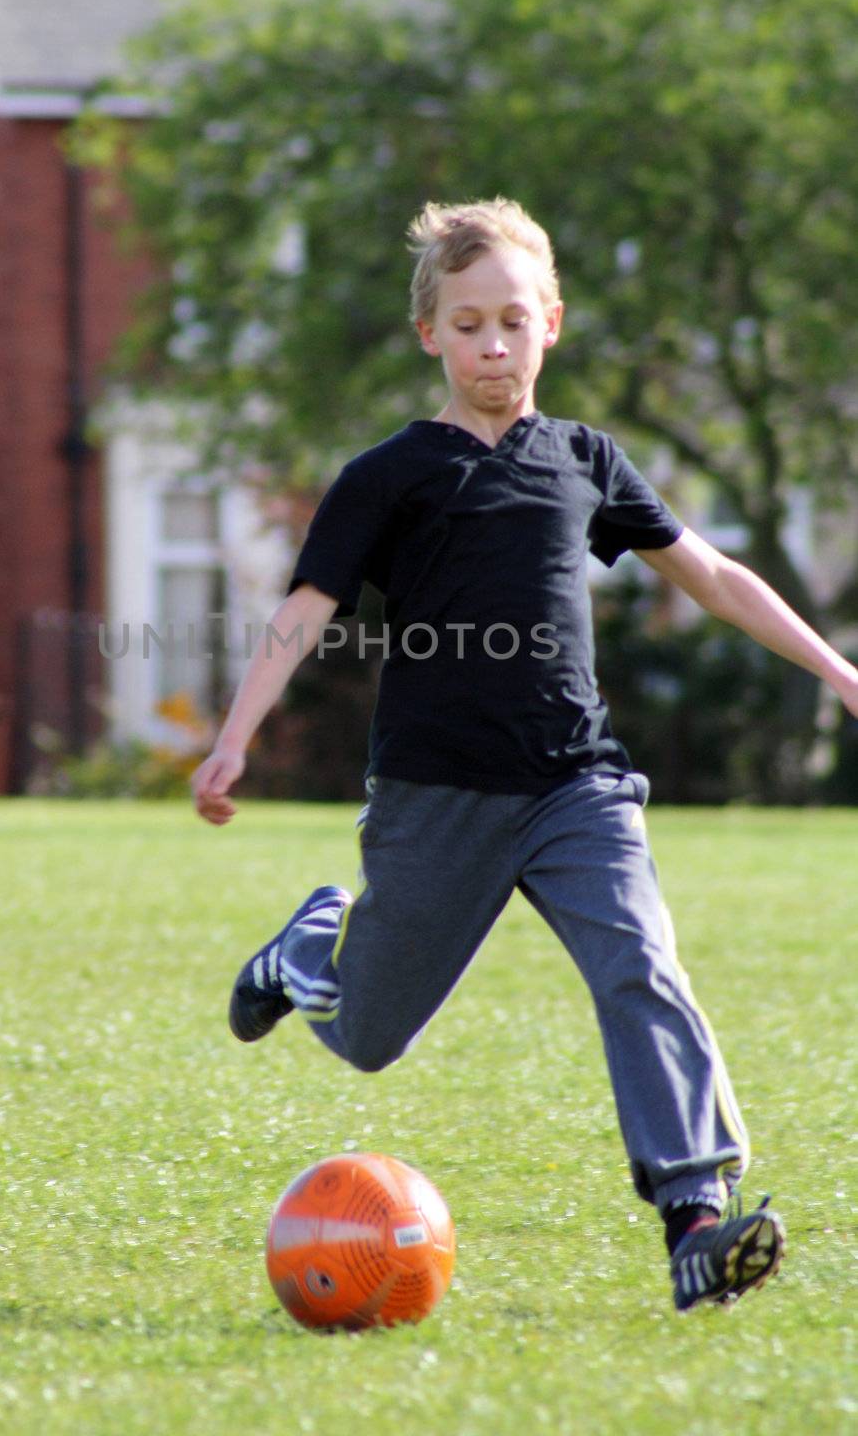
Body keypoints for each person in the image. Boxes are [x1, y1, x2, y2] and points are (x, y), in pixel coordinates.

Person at [191, 197, 858, 1312]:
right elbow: (304, 607)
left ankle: (695, 1219)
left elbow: (710, 576)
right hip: (435, 795)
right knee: (363, 1038)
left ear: (551, 320)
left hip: (574, 786)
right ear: (429, 337)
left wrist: (832, 668)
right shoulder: (389, 475)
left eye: (511, 320)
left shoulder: (586, 459)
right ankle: (307, 951)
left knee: (638, 963)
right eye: (465, 326)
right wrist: (231, 737)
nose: (491, 345)